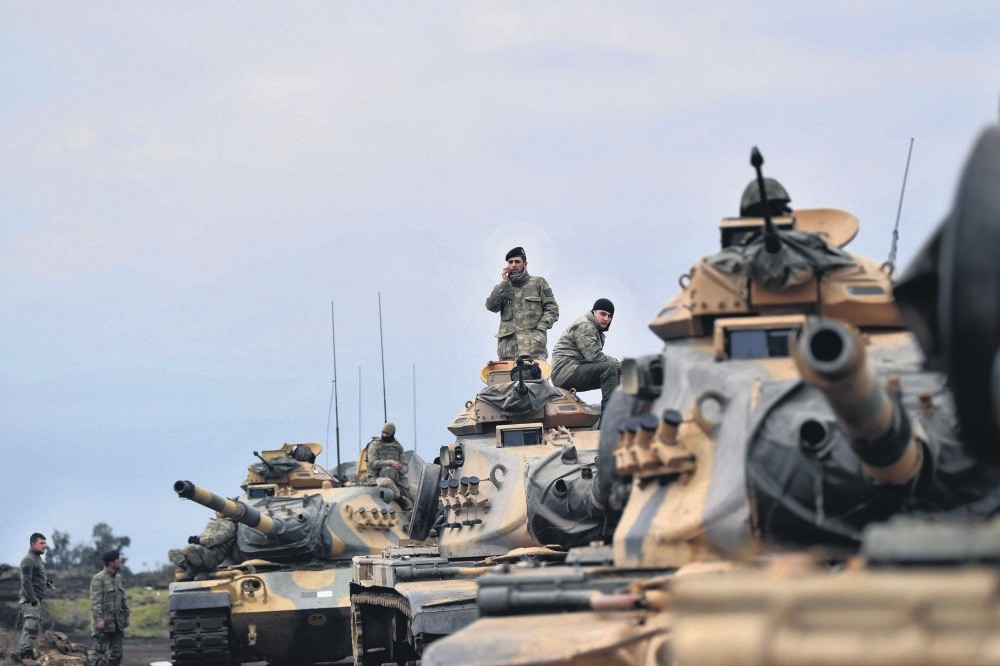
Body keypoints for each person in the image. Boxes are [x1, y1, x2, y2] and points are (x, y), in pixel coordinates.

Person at [485, 246, 559, 360]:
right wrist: (504, 283)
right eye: (510, 262)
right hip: (508, 351)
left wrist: (540, 329)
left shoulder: (538, 283)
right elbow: (491, 306)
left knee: (535, 377)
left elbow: (552, 309)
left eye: (517, 261)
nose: (513, 265)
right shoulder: (502, 288)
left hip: (534, 349)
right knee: (506, 378)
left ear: (525, 264)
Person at [551, 298, 620, 412]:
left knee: (615, 373)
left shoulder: (595, 329)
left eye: (609, 316)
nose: (606, 319)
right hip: (566, 372)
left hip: (572, 370)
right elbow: (594, 356)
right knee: (610, 369)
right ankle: (608, 421)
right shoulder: (585, 325)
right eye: (602, 314)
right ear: (594, 312)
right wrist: (619, 364)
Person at [167, 510, 238, 581]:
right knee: (173, 552)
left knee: (190, 548)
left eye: (218, 510)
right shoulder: (213, 523)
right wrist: (196, 538)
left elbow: (218, 539)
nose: (215, 511)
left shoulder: (230, 525)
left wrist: (199, 540)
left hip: (213, 556)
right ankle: (192, 569)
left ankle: (200, 570)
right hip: (203, 553)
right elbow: (204, 537)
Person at [89, 550, 129, 666]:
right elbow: (95, 601)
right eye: (118, 559)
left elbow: (123, 600)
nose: (120, 560)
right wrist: (99, 619)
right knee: (97, 655)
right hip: (104, 624)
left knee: (116, 654)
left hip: (117, 624)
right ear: (111, 562)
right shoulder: (99, 579)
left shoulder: (119, 578)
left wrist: (126, 617)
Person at [18, 533, 52, 662]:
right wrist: (33, 600)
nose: (45, 545)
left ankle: (25, 652)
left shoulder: (37, 558)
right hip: (29, 599)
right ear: (33, 544)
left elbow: (36, 578)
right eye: (41, 543)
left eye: (45, 543)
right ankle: (25, 654)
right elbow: (25, 582)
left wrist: (46, 583)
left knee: (34, 627)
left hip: (35, 599)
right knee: (30, 626)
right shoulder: (28, 559)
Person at [364, 421, 411, 510]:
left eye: (387, 433)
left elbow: (405, 467)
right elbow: (373, 463)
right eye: (383, 432)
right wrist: (390, 462)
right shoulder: (374, 444)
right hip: (375, 478)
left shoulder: (398, 447)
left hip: (398, 480)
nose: (385, 435)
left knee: (415, 490)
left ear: (392, 434)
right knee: (387, 482)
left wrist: (400, 468)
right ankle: (401, 500)